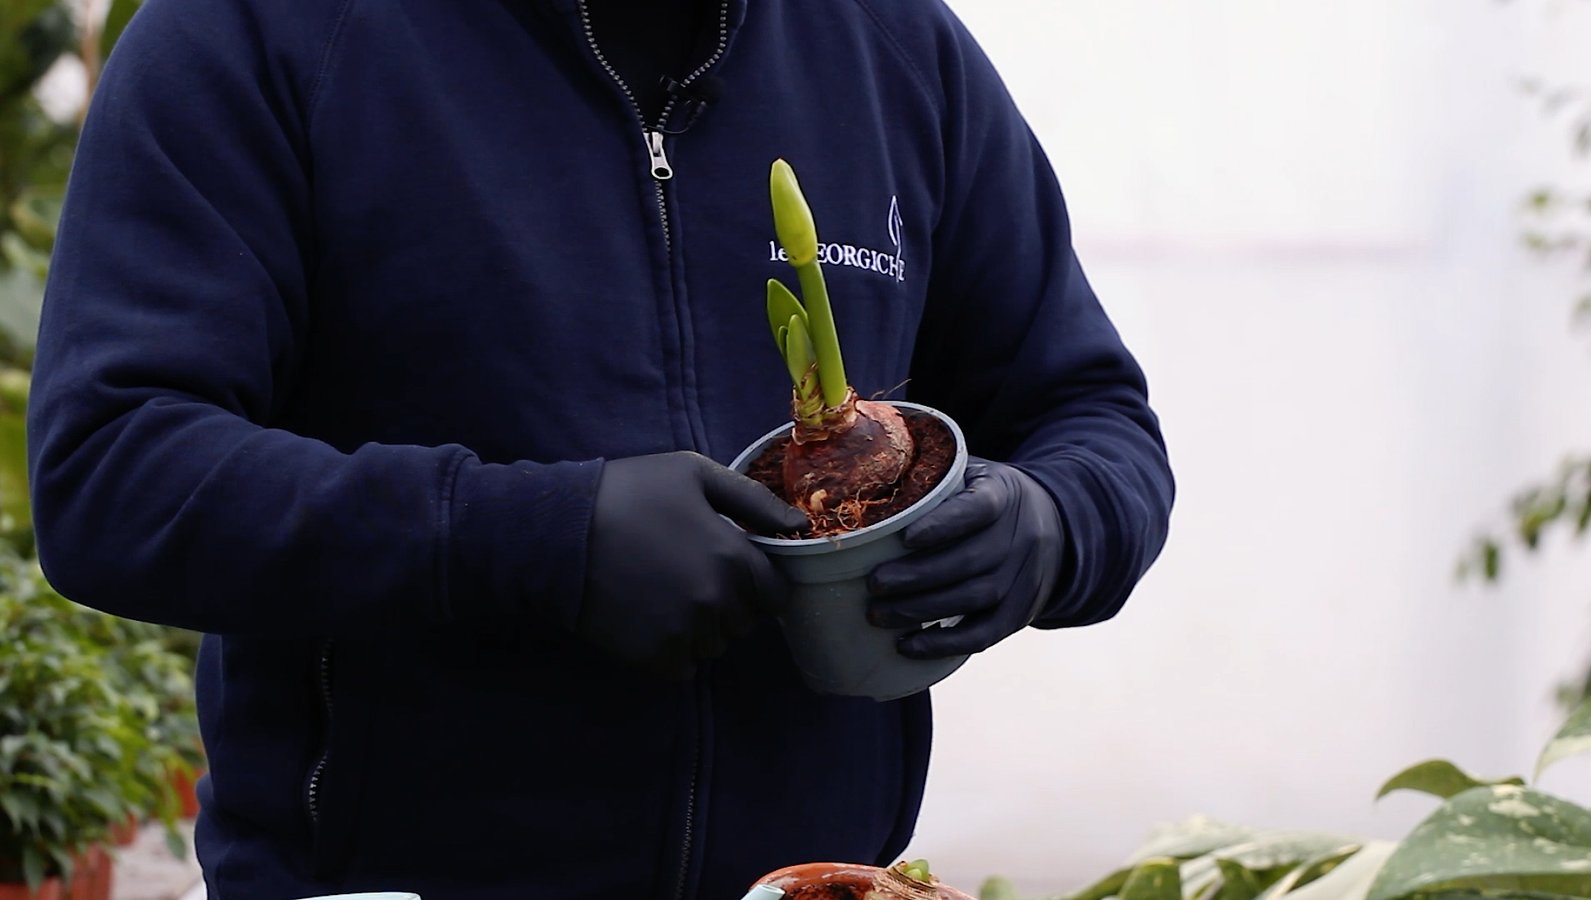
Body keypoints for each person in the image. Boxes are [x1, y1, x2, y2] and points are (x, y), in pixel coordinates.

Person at [26, 0, 1175, 897]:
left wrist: (1052, 526)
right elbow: (115, 468)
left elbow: (1093, 417)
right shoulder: (264, 33)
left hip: (814, 884)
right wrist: (540, 540)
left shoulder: (891, 50)